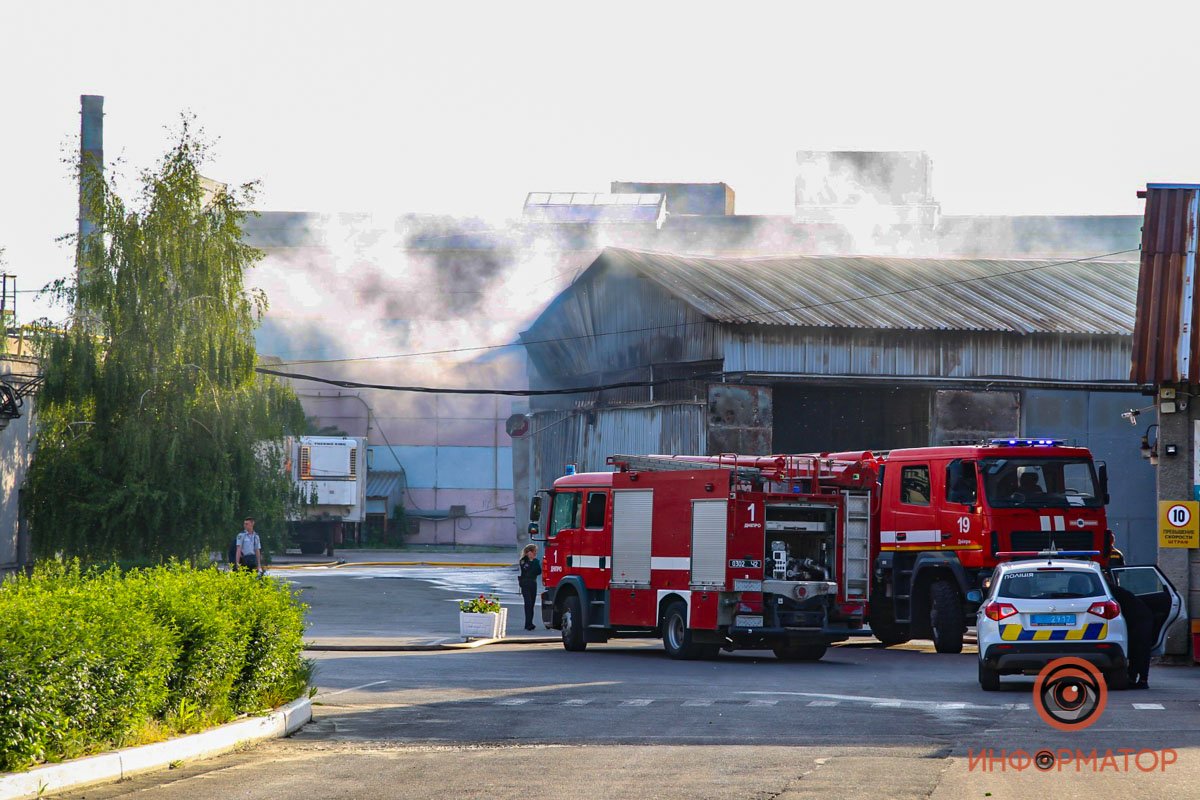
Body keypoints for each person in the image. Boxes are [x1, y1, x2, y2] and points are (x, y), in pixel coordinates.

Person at [1111, 580, 1154, 689]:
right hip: (1138, 618)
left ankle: (1142, 680)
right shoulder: (1116, 591)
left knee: (1140, 649)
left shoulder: (1111, 592)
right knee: (1137, 649)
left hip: (1140, 620)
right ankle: (1133, 678)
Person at [518, 544, 542, 631]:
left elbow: (538, 571)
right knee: (528, 603)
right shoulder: (523, 561)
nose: (535, 553)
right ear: (529, 552)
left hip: (533, 583)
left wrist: (533, 563)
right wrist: (531, 562)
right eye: (534, 551)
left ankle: (530, 623)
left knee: (532, 604)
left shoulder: (536, 561)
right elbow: (526, 570)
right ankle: (527, 624)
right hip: (525, 583)